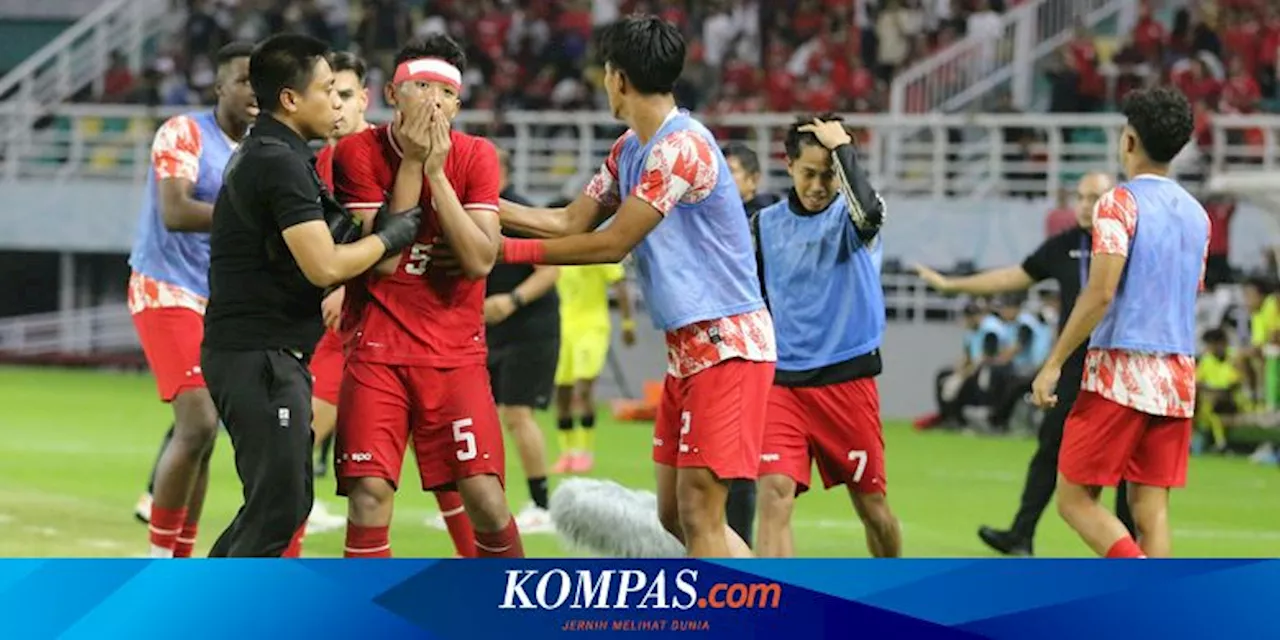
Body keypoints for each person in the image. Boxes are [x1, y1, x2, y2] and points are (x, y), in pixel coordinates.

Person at [496, 15, 775, 558]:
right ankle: (765, 607)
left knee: (699, 513)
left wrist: (502, 250)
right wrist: (482, 208)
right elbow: (571, 221)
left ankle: (742, 618)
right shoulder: (630, 148)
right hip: (688, 351)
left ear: (617, 77)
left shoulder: (681, 149)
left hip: (728, 345)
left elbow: (611, 242)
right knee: (675, 516)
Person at [202, 34, 423, 557]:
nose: (337, 102)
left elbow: (333, 239)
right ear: (291, 100)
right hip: (259, 354)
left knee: (278, 503)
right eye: (327, 90)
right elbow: (324, 263)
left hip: (264, 352)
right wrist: (390, 237)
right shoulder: (276, 161)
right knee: (278, 506)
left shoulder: (278, 153)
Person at [330, 34, 524, 558]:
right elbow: (386, 258)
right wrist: (414, 162)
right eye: (420, 87)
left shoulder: (477, 156)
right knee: (369, 496)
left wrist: (436, 171)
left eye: (444, 92)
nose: (432, 101)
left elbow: (481, 259)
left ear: (458, 104)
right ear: (393, 93)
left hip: (455, 355)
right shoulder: (356, 153)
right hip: (377, 352)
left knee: (485, 496)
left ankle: (509, 616)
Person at [916, 170, 1137, 556]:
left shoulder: (1130, 242)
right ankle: (1022, 534)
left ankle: (1130, 551)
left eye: (1096, 198)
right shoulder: (1064, 245)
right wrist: (954, 285)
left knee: (1126, 464)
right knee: (1049, 448)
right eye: (1081, 198)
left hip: (1121, 367)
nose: (1086, 206)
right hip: (1072, 368)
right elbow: (1014, 277)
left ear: (1115, 200)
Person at [1030, 87, 1207, 559]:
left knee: (1074, 499)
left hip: (1122, 368)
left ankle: (1141, 585)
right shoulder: (1198, 215)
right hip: (1177, 372)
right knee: (1151, 509)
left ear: (1129, 141)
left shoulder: (1118, 203)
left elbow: (1101, 291)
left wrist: (1053, 363)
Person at [127, 41, 257, 557]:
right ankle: (160, 562)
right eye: (244, 79)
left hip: (219, 301)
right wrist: (256, 209)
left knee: (206, 436)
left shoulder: (260, 150)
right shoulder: (184, 132)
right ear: (220, 86)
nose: (254, 91)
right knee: (199, 420)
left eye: (262, 82)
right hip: (164, 287)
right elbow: (176, 211)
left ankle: (180, 559)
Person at [752, 114, 899, 557]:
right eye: (808, 173)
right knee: (773, 495)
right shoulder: (764, 225)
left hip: (847, 385)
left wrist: (843, 149)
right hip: (784, 385)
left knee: (872, 507)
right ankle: (776, 611)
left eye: (830, 175)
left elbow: (869, 211)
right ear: (788, 166)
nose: (818, 186)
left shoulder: (854, 218)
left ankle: (893, 590)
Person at [304, 50, 374, 536]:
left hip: (399, 325)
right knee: (298, 440)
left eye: (345, 95)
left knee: (456, 476)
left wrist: (346, 286)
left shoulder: (391, 154)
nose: (336, 107)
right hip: (339, 327)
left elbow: (402, 237)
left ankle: (483, 575)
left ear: (365, 99)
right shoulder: (321, 161)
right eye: (328, 95)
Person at [479, 148, 561, 533]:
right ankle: (487, 506)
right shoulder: (480, 215)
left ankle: (543, 505)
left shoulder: (522, 213)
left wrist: (511, 301)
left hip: (531, 329)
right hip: (490, 330)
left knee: (517, 414)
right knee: (482, 419)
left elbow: (550, 270)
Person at [550, 259, 636, 475]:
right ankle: (567, 452)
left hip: (592, 328)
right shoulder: (559, 252)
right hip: (562, 328)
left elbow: (620, 285)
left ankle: (585, 452)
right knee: (562, 393)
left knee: (584, 389)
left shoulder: (595, 252)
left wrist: (628, 323)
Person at [722, 142, 780, 216]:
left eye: (731, 171)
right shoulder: (711, 214)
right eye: (721, 171)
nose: (723, 177)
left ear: (754, 179)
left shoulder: (768, 219)